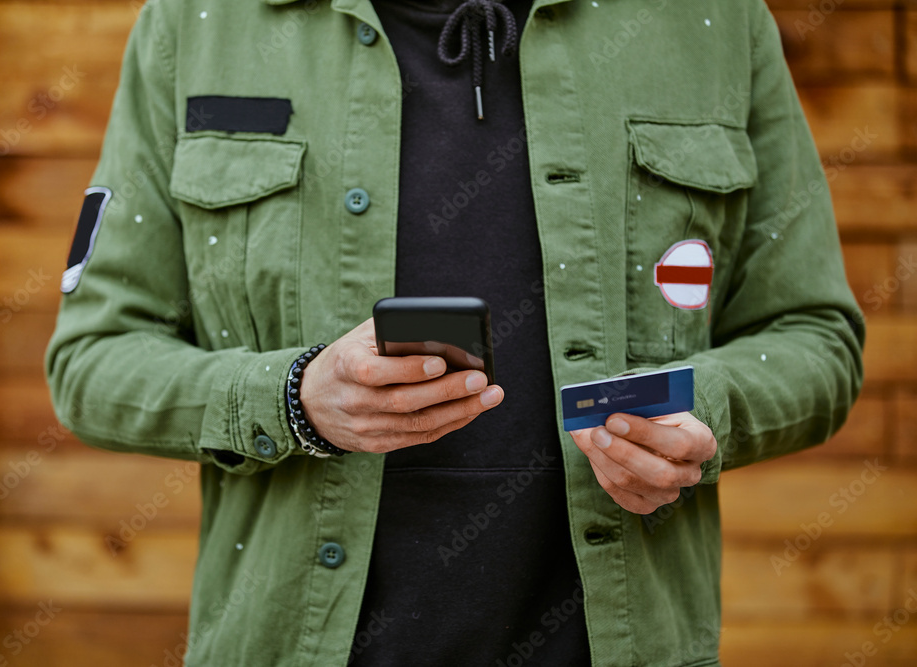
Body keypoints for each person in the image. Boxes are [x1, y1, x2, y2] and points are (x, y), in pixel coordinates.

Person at [45, 0, 864, 664]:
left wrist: (699, 409)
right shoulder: (196, 23)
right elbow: (92, 358)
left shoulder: (713, 21)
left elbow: (814, 333)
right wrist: (295, 399)